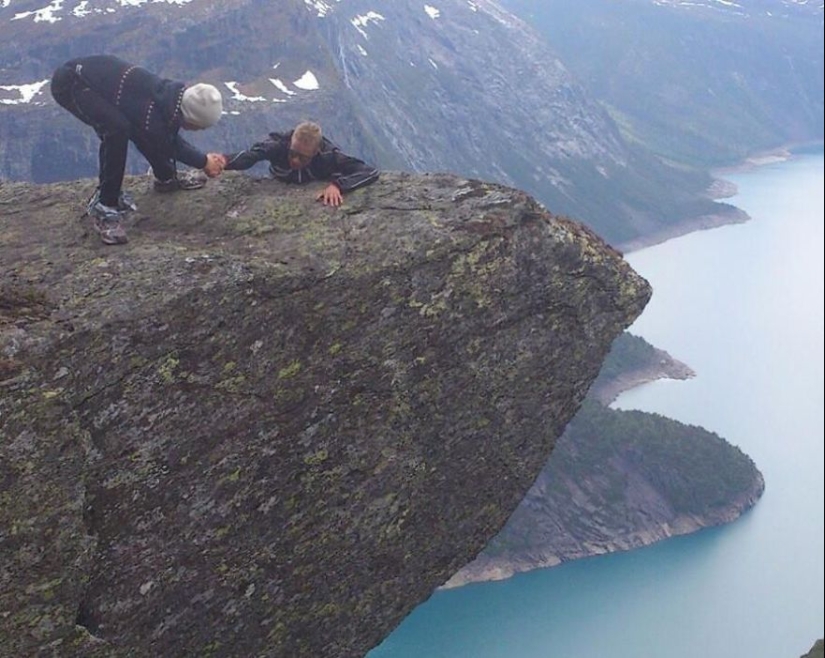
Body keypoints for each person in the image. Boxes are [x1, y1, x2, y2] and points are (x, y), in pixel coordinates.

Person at [50, 55, 226, 245]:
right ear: (191, 118)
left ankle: (165, 177)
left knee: (137, 127)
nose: (200, 130)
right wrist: (204, 162)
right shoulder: (153, 114)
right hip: (71, 83)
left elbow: (160, 135)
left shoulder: (169, 97)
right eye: (200, 126)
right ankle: (105, 205)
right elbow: (170, 144)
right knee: (117, 130)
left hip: (93, 77)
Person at [220, 121, 379, 207]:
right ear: (290, 143)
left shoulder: (329, 156)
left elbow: (369, 172)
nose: (295, 160)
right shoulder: (279, 146)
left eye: (303, 157)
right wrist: (222, 161)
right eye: (293, 153)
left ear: (316, 152)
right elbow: (251, 156)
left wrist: (338, 185)